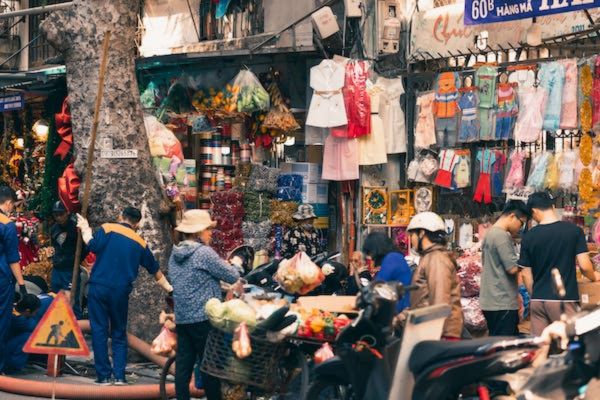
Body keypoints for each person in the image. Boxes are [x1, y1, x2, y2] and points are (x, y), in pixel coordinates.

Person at [76, 207, 173, 385]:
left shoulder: (107, 228)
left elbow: (92, 245)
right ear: (137, 224)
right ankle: (119, 376)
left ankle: (103, 376)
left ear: (121, 217)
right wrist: (170, 290)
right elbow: (156, 271)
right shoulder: (140, 242)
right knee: (119, 332)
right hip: (120, 292)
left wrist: (85, 227)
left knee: (99, 330)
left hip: (98, 287)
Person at [168, 210, 240, 400]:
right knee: (209, 366)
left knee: (184, 365)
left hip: (183, 317)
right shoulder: (204, 253)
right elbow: (232, 276)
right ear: (198, 232)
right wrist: (237, 264)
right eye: (208, 229)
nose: (210, 233)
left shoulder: (174, 255)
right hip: (203, 318)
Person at [518, 192, 599, 336]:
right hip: (564, 301)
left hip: (538, 302)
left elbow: (525, 274)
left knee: (541, 347)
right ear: (553, 207)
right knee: (570, 347)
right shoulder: (574, 231)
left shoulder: (529, 236)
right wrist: (594, 277)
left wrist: (536, 294)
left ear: (534, 211)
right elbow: (585, 266)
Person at [406, 212, 464, 339]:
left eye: (412, 235)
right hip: (430, 330)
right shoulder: (430, 257)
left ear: (421, 233)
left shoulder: (436, 259)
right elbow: (423, 300)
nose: (411, 239)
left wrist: (436, 334)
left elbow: (440, 301)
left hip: (440, 334)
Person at [480, 200, 531, 336]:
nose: (520, 227)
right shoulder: (501, 235)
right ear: (512, 216)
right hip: (501, 301)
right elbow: (512, 268)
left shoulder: (491, 233)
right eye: (521, 223)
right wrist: (529, 260)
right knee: (504, 347)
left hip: (492, 300)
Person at [0, 186, 27, 374]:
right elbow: (12, 258)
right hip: (2, 282)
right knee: (2, 322)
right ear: (8, 203)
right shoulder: (6, 224)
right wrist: (22, 285)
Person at [50, 201, 85, 317]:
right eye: (56, 215)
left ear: (67, 213)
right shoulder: (54, 229)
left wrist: (76, 259)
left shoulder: (76, 229)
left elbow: (86, 247)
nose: (59, 218)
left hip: (70, 270)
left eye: (61, 214)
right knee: (55, 298)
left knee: (72, 300)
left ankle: (77, 328)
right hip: (57, 269)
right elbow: (54, 247)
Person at [362, 232, 412, 312]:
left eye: (370, 252)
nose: (371, 257)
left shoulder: (392, 258)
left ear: (376, 249)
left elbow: (379, 283)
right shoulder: (396, 256)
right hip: (399, 306)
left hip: (398, 309)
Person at [5, 292, 54, 373]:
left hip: (6, 342)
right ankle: (14, 368)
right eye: (35, 312)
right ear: (27, 311)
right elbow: (37, 329)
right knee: (29, 337)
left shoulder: (11, 308)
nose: (35, 314)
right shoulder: (20, 320)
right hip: (5, 348)